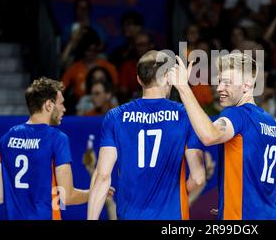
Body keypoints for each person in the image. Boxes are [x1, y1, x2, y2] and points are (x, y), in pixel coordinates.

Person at [87, 50, 206, 220]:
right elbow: (198, 178)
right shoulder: (185, 115)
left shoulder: (116, 116)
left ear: (139, 80)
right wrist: (171, 196)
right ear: (167, 77)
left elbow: (102, 176)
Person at [169, 53, 276, 220]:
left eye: (227, 83)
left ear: (247, 85)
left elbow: (208, 136)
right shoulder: (270, 122)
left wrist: (183, 87)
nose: (219, 88)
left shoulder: (237, 114)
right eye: (220, 81)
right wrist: (229, 204)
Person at [0, 78, 105, 219]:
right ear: (49, 105)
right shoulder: (57, 139)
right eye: (61, 103)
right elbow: (66, 197)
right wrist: (96, 192)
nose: (64, 109)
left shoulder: (5, 139)